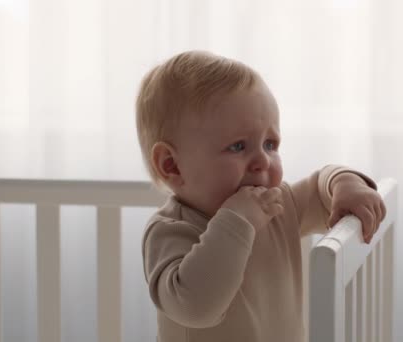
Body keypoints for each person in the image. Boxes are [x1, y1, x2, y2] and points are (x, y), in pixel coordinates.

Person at [135, 50, 386, 341]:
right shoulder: (169, 232)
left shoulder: (277, 205)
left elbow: (321, 189)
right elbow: (196, 308)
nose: (263, 161)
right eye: (238, 146)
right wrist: (237, 221)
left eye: (270, 144)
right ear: (171, 165)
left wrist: (345, 183)